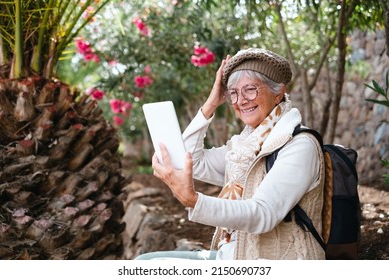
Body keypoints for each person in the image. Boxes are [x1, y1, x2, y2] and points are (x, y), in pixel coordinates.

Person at [135, 48, 325, 260]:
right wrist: (211, 102)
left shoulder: (299, 145)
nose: (241, 101)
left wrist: (194, 200)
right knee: (144, 262)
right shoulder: (243, 149)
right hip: (231, 254)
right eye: (233, 93)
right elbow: (190, 160)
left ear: (278, 92)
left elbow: (263, 214)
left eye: (250, 90)